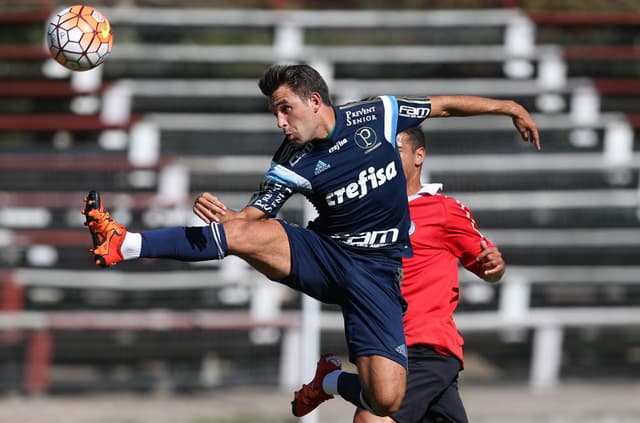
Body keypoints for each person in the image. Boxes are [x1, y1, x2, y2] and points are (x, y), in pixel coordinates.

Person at [82, 63, 539, 418]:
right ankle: (125, 242)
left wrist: (510, 107)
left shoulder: (376, 115)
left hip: (376, 274)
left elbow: (444, 106)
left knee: (385, 400)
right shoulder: (291, 160)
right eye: (275, 112)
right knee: (241, 234)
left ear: (315, 101)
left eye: (286, 108)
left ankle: (331, 381)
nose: (281, 121)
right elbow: (254, 215)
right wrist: (229, 218)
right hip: (326, 255)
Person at [349, 126, 505, 423]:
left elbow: (488, 266)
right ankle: (331, 379)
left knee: (372, 419)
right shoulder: (362, 213)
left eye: (394, 151)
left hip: (424, 345)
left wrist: (495, 266)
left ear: (419, 155)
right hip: (381, 345)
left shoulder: (443, 210)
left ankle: (332, 380)